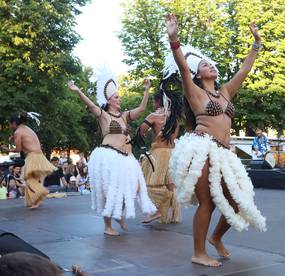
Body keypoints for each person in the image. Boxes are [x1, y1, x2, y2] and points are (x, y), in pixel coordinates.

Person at [165, 13, 266, 267]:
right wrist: (174, 38)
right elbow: (182, 67)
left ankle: (216, 237)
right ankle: (198, 252)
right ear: (198, 74)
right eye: (204, 64)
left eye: (211, 63)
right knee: (208, 202)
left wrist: (256, 43)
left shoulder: (225, 92)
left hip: (224, 152)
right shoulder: (195, 91)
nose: (210, 65)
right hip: (203, 148)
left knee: (236, 199)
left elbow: (245, 69)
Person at [67, 75, 157, 236]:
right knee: (109, 192)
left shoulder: (124, 116)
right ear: (109, 100)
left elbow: (142, 109)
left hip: (125, 158)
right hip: (108, 156)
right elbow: (91, 105)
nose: (119, 99)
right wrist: (78, 91)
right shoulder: (103, 115)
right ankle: (108, 226)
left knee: (135, 187)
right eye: (116, 97)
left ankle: (118, 214)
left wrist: (146, 90)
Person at [139, 84, 182, 224]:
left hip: (158, 153)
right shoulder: (174, 118)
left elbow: (141, 131)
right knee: (171, 185)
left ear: (158, 101)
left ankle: (157, 212)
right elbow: (174, 137)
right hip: (173, 153)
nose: (152, 104)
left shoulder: (154, 116)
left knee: (149, 185)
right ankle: (174, 216)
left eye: (153, 101)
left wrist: (144, 138)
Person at [1, 112, 55, 209]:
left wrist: (8, 149)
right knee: (32, 178)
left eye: (9, 124)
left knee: (28, 179)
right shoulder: (26, 129)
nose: (9, 126)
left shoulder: (18, 132)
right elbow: (27, 142)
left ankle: (41, 192)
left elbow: (18, 149)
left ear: (13, 123)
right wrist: (13, 139)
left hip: (32, 156)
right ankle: (34, 201)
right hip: (39, 155)